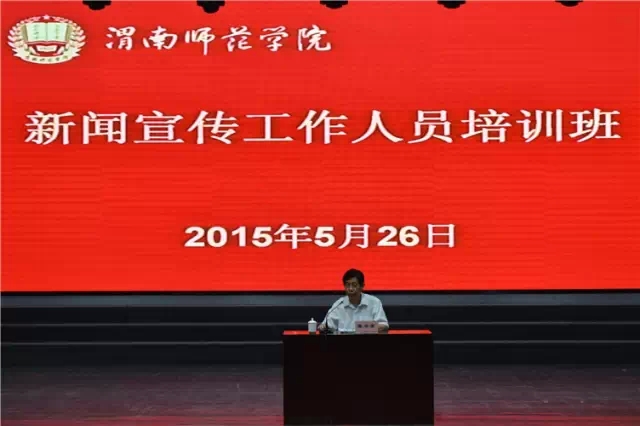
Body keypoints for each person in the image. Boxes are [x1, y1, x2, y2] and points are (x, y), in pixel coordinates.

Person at [318, 268, 389, 333]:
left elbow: (384, 326)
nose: (350, 288)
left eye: (354, 285)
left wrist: (361, 328)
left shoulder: (374, 302)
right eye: (347, 285)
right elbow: (325, 325)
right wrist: (323, 327)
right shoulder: (339, 305)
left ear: (362, 286)